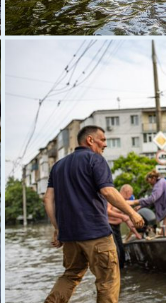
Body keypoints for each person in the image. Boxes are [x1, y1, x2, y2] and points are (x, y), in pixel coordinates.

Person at [43, 125, 144, 303]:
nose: (105, 144)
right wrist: (132, 214)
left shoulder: (58, 166)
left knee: (71, 275)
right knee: (108, 281)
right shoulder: (95, 159)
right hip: (96, 233)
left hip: (69, 236)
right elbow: (107, 191)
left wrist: (57, 229)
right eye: (103, 140)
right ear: (90, 140)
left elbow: (47, 199)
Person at [129, 170, 166, 236]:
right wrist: (141, 206)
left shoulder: (159, 184)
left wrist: (134, 202)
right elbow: (155, 200)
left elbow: (152, 198)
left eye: (149, 181)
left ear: (153, 178)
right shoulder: (163, 182)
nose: (149, 183)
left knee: (164, 234)